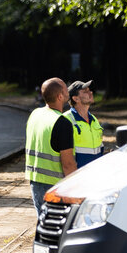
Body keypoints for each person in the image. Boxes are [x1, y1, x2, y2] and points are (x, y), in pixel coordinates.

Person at [25, 77, 76, 216]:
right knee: (58, 227)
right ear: (60, 96)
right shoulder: (62, 122)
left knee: (44, 224)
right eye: (66, 89)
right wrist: (75, 188)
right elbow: (68, 164)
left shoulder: (35, 114)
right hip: (55, 185)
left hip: (35, 181)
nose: (68, 91)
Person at [64, 80, 103, 169]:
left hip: (94, 174)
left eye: (89, 90)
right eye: (85, 91)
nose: (90, 92)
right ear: (75, 98)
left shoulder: (94, 119)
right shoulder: (66, 120)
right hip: (76, 176)